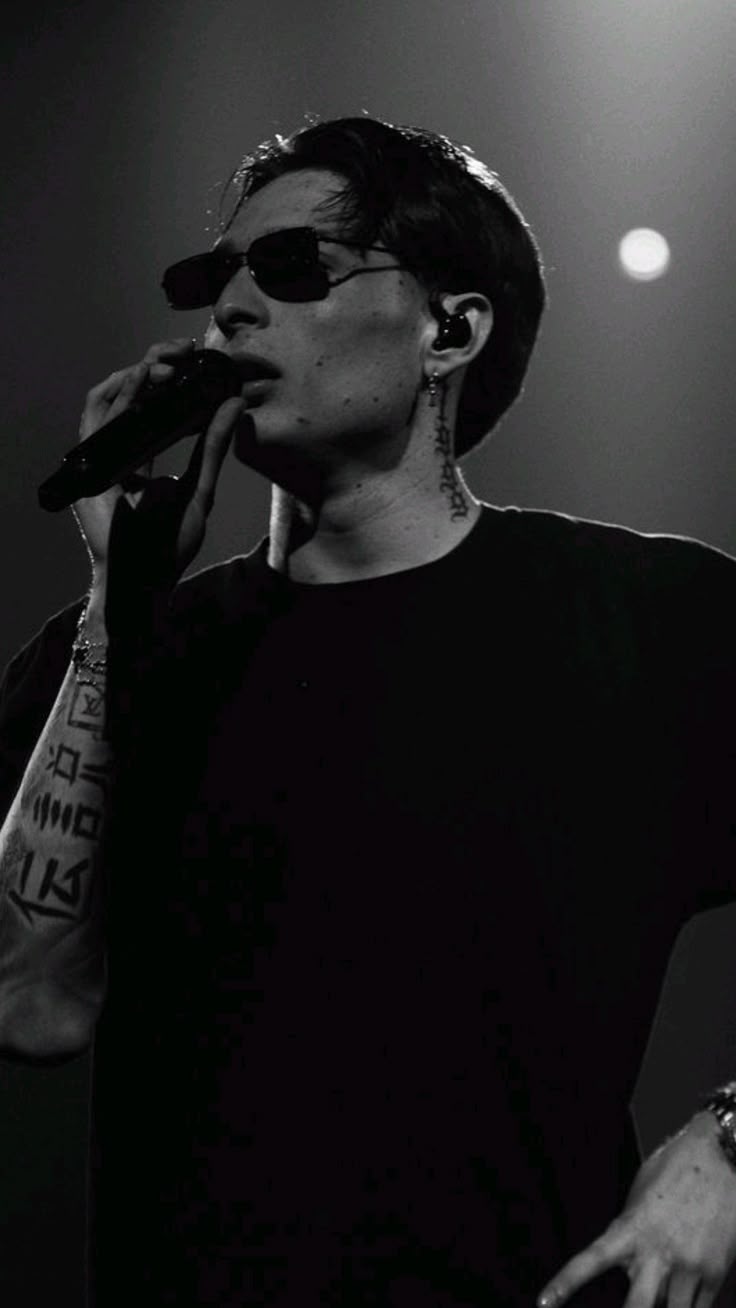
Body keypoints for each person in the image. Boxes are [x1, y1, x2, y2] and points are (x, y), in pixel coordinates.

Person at [0, 113, 735, 1308]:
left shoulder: (648, 622)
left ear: (451, 329)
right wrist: (110, 604)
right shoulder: (132, 647)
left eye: (293, 267)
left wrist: (726, 1144)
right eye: (218, 276)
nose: (231, 308)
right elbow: (30, 1004)